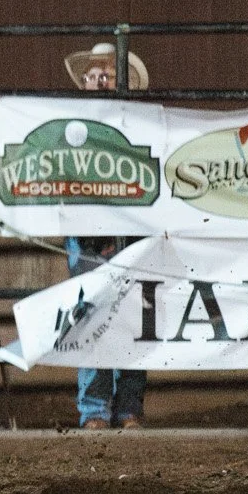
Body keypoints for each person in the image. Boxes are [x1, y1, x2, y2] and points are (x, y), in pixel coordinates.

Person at [67, 42, 146, 429]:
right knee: (91, 315)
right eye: (94, 75)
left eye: (107, 74)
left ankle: (127, 406)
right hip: (88, 234)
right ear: (84, 82)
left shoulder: (136, 123)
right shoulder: (70, 126)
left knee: (130, 316)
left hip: (128, 230)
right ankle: (97, 409)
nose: (99, 80)